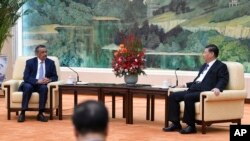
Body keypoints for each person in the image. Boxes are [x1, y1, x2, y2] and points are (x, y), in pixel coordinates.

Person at [163, 44, 229, 134]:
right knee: (173, 96)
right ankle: (175, 123)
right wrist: (185, 84)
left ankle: (191, 126)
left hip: (204, 91)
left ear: (212, 54)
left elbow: (223, 79)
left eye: (205, 52)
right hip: (194, 88)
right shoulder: (204, 66)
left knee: (189, 97)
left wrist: (218, 88)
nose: (203, 54)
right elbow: (198, 80)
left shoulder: (221, 66)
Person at [18, 45, 58, 122]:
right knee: (27, 87)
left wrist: (49, 80)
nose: (45, 54)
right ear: (37, 54)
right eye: (43, 52)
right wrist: (37, 81)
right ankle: (22, 113)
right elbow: (26, 77)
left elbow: (55, 77)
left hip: (42, 84)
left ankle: (40, 113)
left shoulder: (51, 63)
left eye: (46, 52)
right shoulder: (30, 62)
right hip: (31, 83)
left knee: (44, 88)